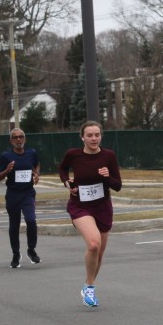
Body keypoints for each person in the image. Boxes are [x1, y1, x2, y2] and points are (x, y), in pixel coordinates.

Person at [58, 121, 122, 307]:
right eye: (90, 135)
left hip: (102, 207)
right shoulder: (73, 154)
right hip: (80, 206)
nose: (94, 138)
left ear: (101, 136)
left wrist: (107, 177)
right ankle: (91, 289)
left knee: (99, 253)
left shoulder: (109, 155)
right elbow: (62, 169)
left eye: (97, 135)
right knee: (94, 244)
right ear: (82, 137)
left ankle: (88, 285)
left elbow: (117, 185)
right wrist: (67, 183)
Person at [0, 128, 40, 268]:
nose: (18, 140)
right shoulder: (6, 156)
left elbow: (36, 164)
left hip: (28, 193)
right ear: (11, 141)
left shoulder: (31, 153)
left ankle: (31, 249)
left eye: (21, 137)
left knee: (31, 220)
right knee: (14, 225)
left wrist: (36, 174)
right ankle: (16, 254)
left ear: (24, 139)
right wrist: (7, 170)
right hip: (13, 194)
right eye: (15, 137)